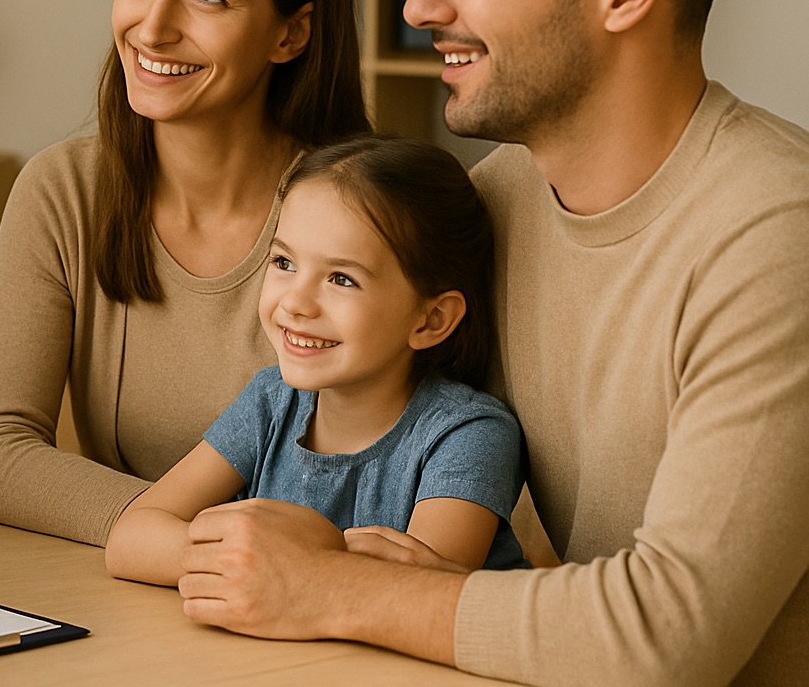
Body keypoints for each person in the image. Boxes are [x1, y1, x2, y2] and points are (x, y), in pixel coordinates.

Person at [171, 0, 809, 685]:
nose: (420, 5)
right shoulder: (499, 195)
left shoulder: (776, 237)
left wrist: (326, 586)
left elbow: (670, 635)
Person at [0, 0, 370, 545]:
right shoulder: (64, 192)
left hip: (316, 614)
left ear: (290, 32)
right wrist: (182, 542)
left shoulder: (372, 218)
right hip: (149, 592)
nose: (152, 27)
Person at [105, 135, 524, 585]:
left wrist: (273, 565)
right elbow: (130, 539)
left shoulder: (468, 435)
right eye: (284, 262)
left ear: (432, 319)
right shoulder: (270, 401)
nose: (296, 303)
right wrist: (248, 563)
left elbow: (420, 594)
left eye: (341, 278)